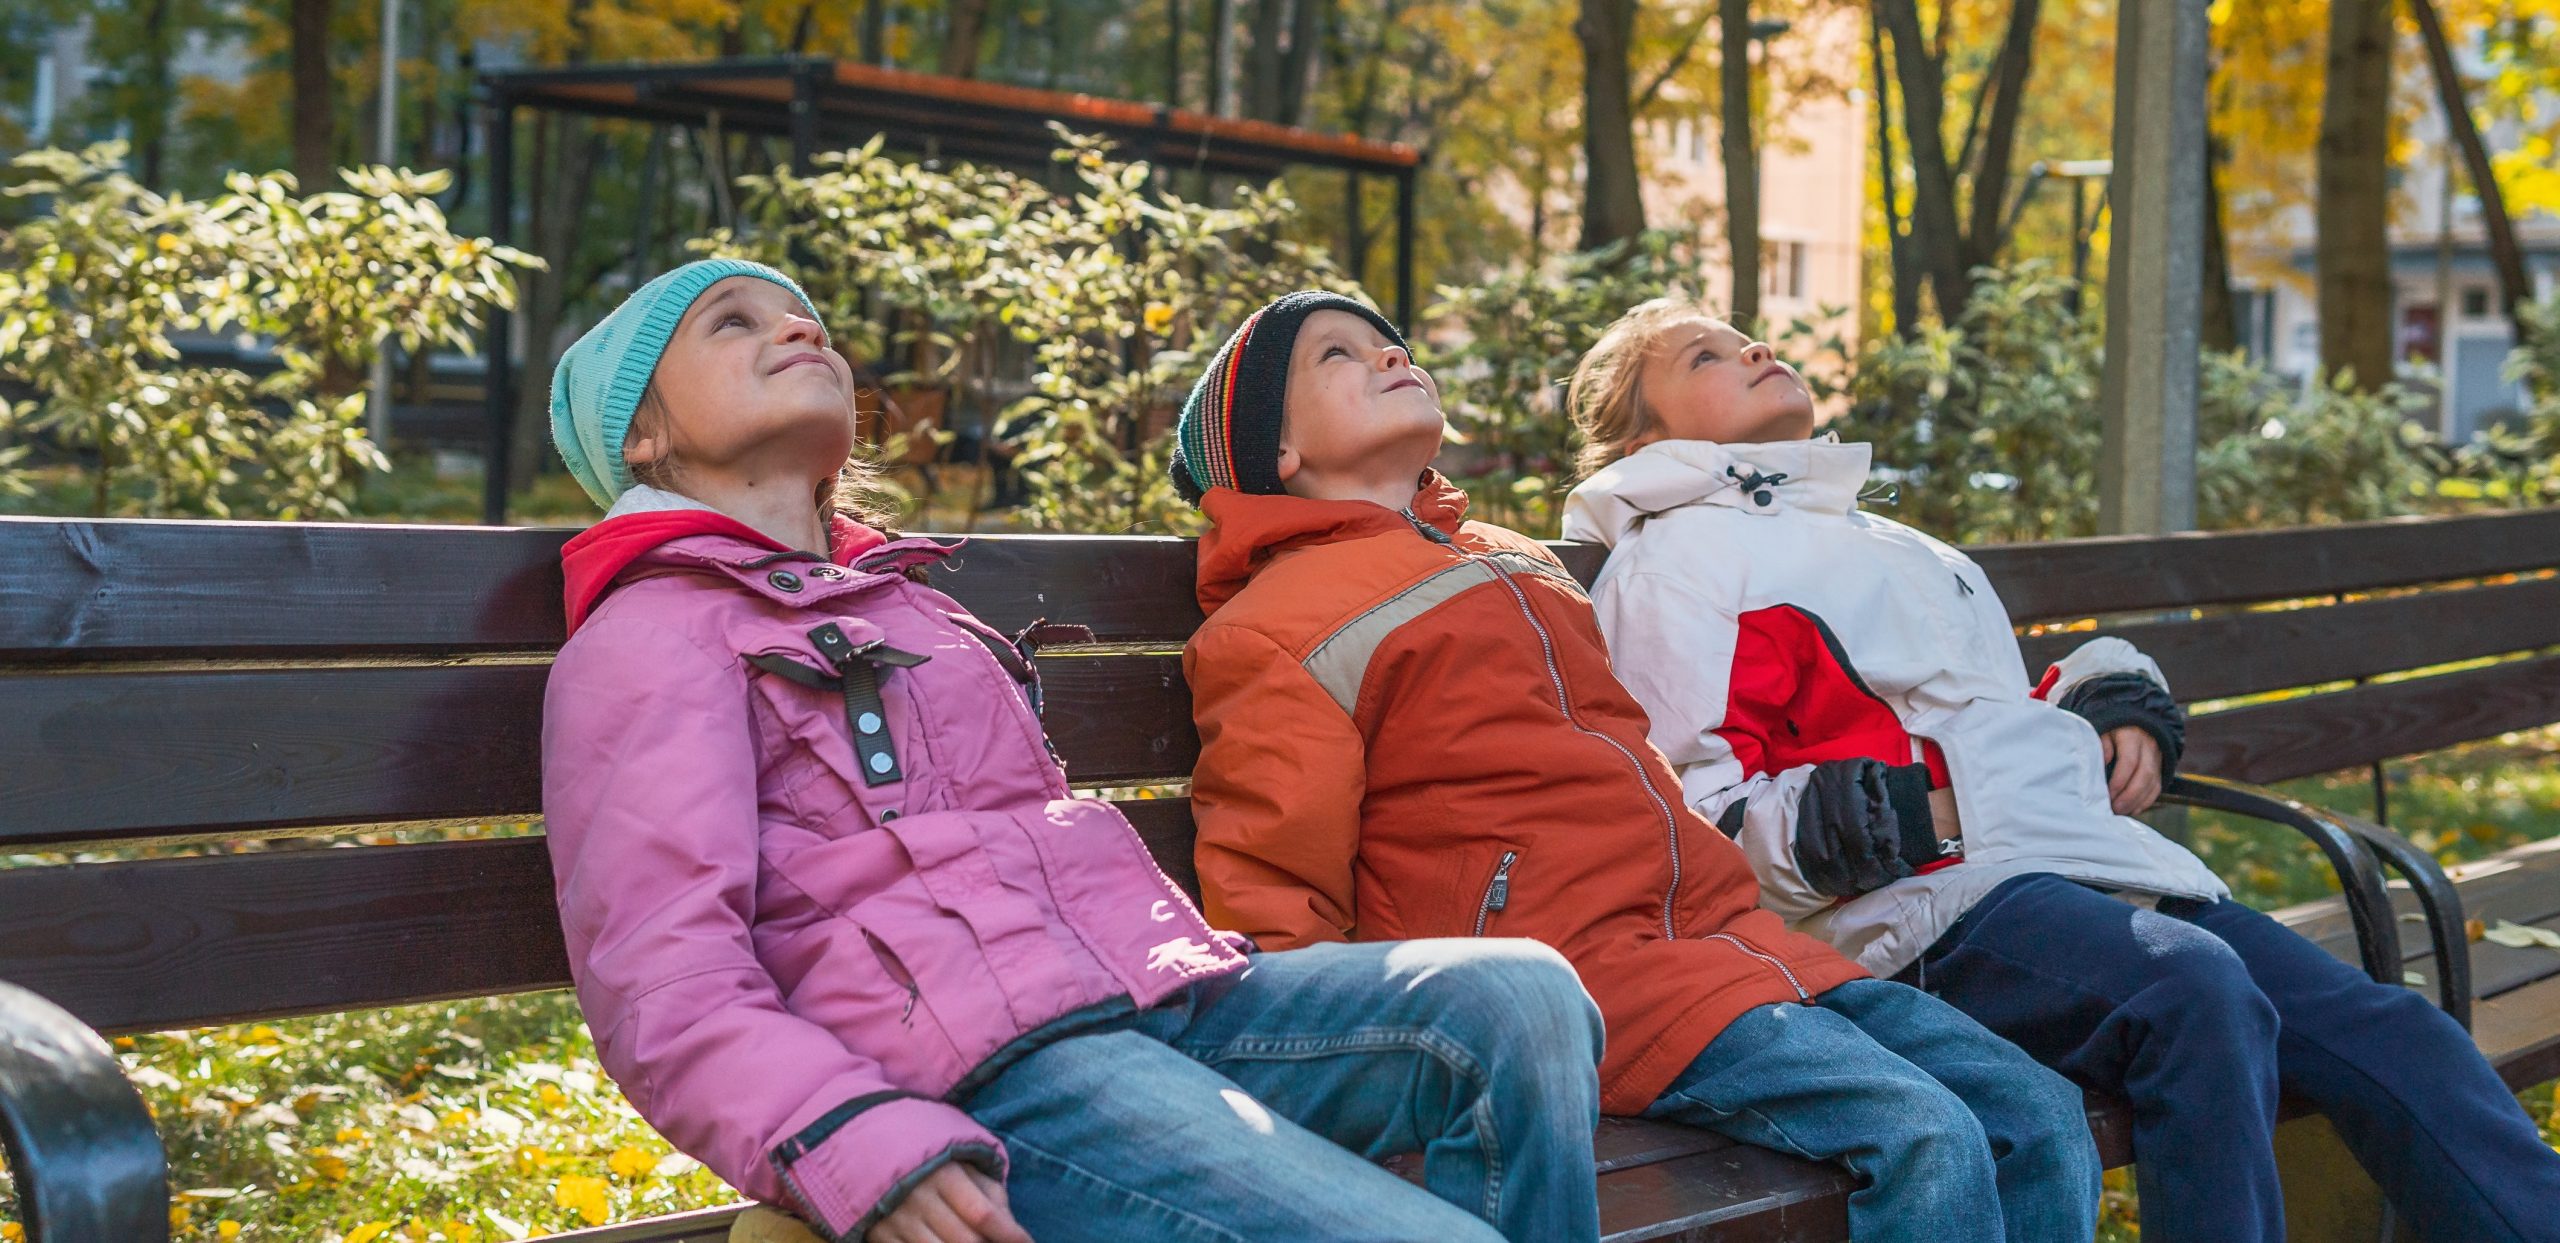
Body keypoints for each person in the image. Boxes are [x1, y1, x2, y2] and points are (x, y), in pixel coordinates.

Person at [539, 259, 1611, 1243]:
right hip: (985, 1077)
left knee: (1519, 1000)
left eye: (805, 318)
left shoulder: (913, 612)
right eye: (733, 323)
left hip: (1155, 1007)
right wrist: (850, 1138)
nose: (793, 328)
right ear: (642, 437)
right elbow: (664, 980)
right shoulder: (651, 639)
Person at [1559, 296, 2560, 1243]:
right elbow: (1695, 811)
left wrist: (2112, 697)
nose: (1751, 351)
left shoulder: (1892, 540)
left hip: (2070, 870)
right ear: (1648, 442)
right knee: (2194, 993)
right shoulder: (1675, 561)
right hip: (1914, 914)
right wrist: (1921, 814)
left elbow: (1991, 707)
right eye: (1705, 356)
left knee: (2388, 1028)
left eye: (1745, 338)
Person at [1175, 289, 2100, 1243]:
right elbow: (1277, 891)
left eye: (1392, 343)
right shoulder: (1278, 629)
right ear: (1276, 454)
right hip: (1579, 979)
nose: (1391, 356)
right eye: (1340, 354)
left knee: (2035, 1113)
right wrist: (1340, 1090)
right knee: (1928, 1134)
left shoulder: (1510, 558)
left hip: (1728, 941)